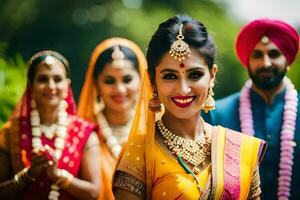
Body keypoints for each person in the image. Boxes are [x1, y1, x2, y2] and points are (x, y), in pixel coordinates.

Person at [112, 15, 267, 200]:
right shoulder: (139, 153)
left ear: (212, 76)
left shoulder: (239, 149)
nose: (183, 89)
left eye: (195, 75)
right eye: (170, 76)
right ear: (153, 80)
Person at [202, 19, 300, 199]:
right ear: (247, 61)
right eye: (257, 55)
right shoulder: (216, 114)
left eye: (274, 54)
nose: (266, 63)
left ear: (288, 59)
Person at [0, 50, 101, 199]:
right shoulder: (10, 132)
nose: (51, 86)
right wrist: (28, 175)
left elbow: (93, 193)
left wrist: (57, 175)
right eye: (42, 79)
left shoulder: (85, 132)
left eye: (57, 79)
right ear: (31, 86)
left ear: (67, 85)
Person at [78, 37, 147, 200]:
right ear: (96, 84)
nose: (120, 89)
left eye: (127, 79)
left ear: (141, 79)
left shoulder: (157, 130)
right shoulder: (82, 133)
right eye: (109, 81)